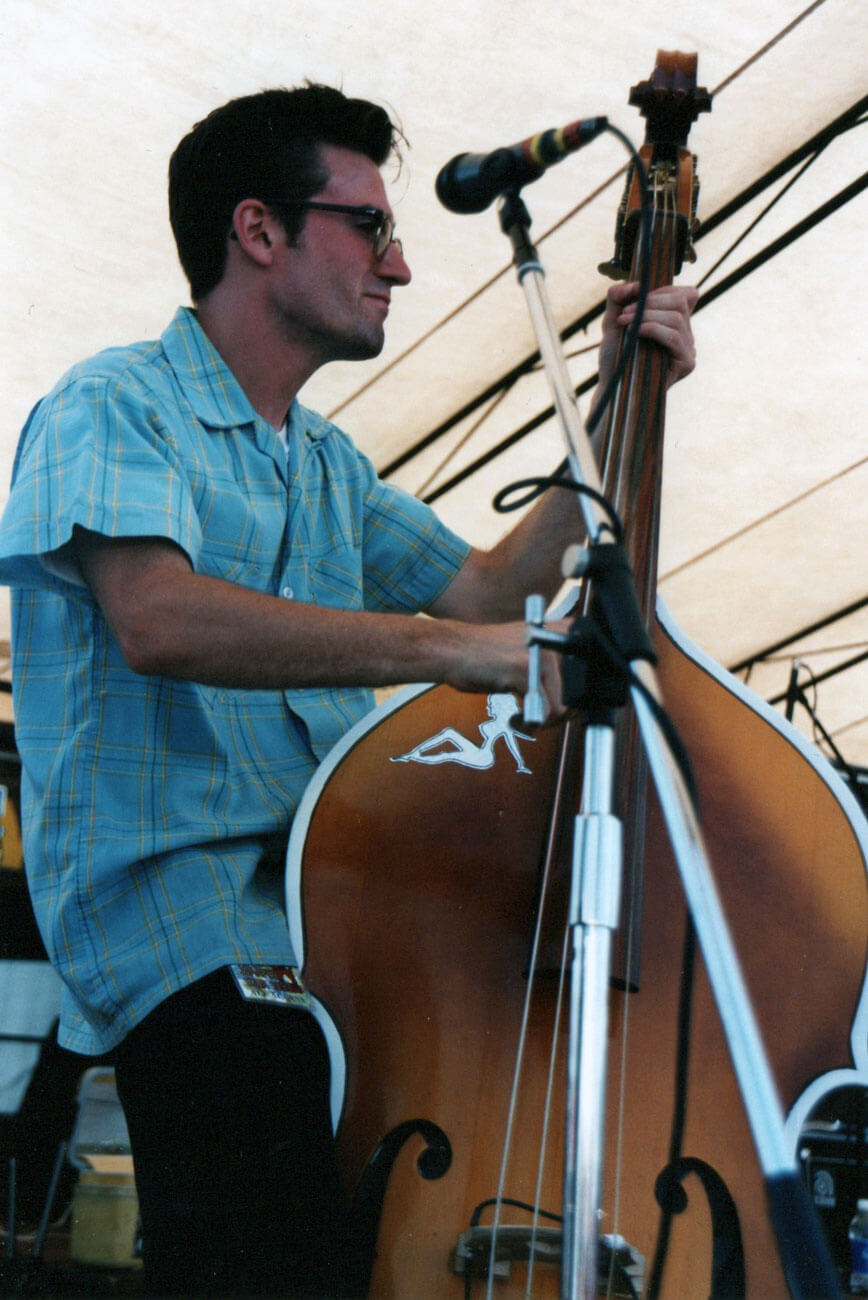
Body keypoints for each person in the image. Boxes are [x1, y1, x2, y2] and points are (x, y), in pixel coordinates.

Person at [0, 85, 696, 1296]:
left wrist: (619, 392)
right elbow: (157, 619)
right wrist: (442, 656)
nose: (402, 265)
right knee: (270, 1175)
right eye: (370, 227)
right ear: (258, 230)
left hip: (331, 901)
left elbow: (490, 591)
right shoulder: (113, 402)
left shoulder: (324, 463)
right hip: (186, 911)